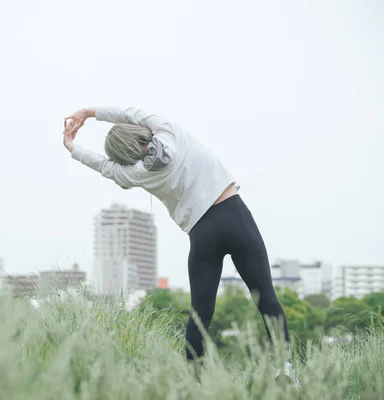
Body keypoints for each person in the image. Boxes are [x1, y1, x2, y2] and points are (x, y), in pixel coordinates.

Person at [63, 106, 300, 388]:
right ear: (140, 131)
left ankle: (193, 382)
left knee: (200, 312)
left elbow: (104, 166)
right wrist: (90, 113)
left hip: (202, 235)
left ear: (123, 155)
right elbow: (130, 112)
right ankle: (284, 366)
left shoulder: (135, 174)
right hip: (234, 216)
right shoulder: (169, 131)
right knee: (266, 297)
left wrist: (71, 147)